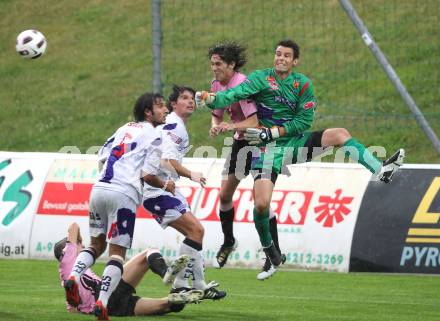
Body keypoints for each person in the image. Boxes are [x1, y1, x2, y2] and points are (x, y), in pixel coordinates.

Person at [196, 38, 405, 270]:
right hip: (267, 149)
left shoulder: (303, 85)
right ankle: (271, 254)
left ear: (295, 61)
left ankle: (380, 169)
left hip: (291, 142)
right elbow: (233, 95)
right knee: (262, 204)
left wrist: (273, 132)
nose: (281, 58)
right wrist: (210, 98)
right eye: (278, 54)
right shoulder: (260, 78)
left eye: (286, 55)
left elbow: (303, 121)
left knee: (339, 134)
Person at [64, 92, 177, 320]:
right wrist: (166, 185)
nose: (166, 110)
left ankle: (74, 277)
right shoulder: (156, 136)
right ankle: (103, 303)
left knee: (96, 245)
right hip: (123, 194)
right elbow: (147, 175)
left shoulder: (124, 128)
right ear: (148, 112)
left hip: (99, 188)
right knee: (117, 254)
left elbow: (102, 156)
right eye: (161, 106)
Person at [207, 41, 285, 280]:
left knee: (261, 202)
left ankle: (274, 253)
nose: (214, 68)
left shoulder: (242, 84)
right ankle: (229, 241)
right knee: (224, 195)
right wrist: (215, 126)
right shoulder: (216, 85)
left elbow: (252, 121)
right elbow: (216, 114)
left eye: (218, 64)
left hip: (261, 141)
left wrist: (229, 126)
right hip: (241, 143)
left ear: (231, 64)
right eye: (212, 64)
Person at [142, 85, 226, 300]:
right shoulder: (173, 125)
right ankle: (183, 285)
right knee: (196, 231)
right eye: (184, 98)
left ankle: (196, 286)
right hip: (156, 190)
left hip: (167, 190)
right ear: (173, 104)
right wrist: (191, 174)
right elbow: (166, 161)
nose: (190, 101)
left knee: (196, 233)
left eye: (192, 98)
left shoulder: (175, 125)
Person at [55, 222, 204, 318]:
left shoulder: (67, 282)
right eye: (80, 246)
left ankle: (178, 298)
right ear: (68, 249)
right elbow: (73, 227)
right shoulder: (69, 258)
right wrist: (79, 241)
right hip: (105, 292)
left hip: (113, 310)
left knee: (167, 306)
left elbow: (73, 310)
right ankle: (166, 274)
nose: (84, 248)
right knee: (148, 253)